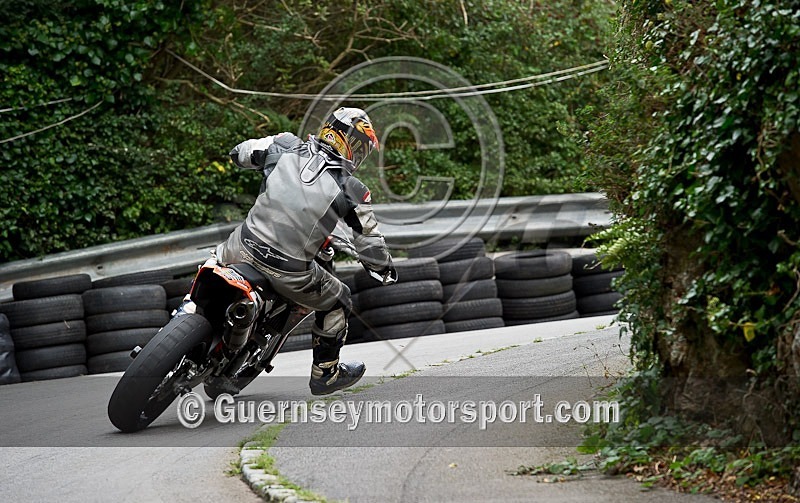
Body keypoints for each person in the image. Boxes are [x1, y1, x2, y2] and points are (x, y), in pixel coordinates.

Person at [214, 107, 396, 395]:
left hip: (240, 247)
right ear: (349, 142)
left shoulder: (285, 145)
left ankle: (183, 313)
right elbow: (371, 243)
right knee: (339, 299)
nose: (359, 157)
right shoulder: (354, 190)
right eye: (360, 148)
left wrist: (264, 165)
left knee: (212, 264)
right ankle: (326, 374)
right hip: (288, 270)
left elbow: (240, 153)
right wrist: (384, 268)